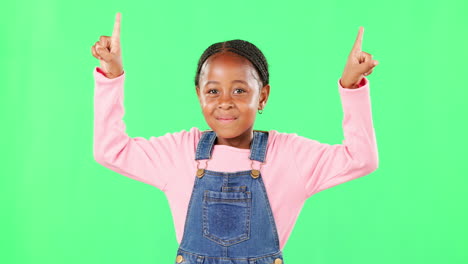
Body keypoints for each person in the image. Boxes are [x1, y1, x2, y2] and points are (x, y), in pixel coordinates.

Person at [91, 12, 379, 264]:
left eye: (240, 90)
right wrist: (111, 74)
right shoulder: (181, 152)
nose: (225, 102)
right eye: (213, 91)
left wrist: (351, 86)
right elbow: (110, 151)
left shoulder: (288, 155)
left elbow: (361, 159)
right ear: (198, 95)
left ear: (263, 96)